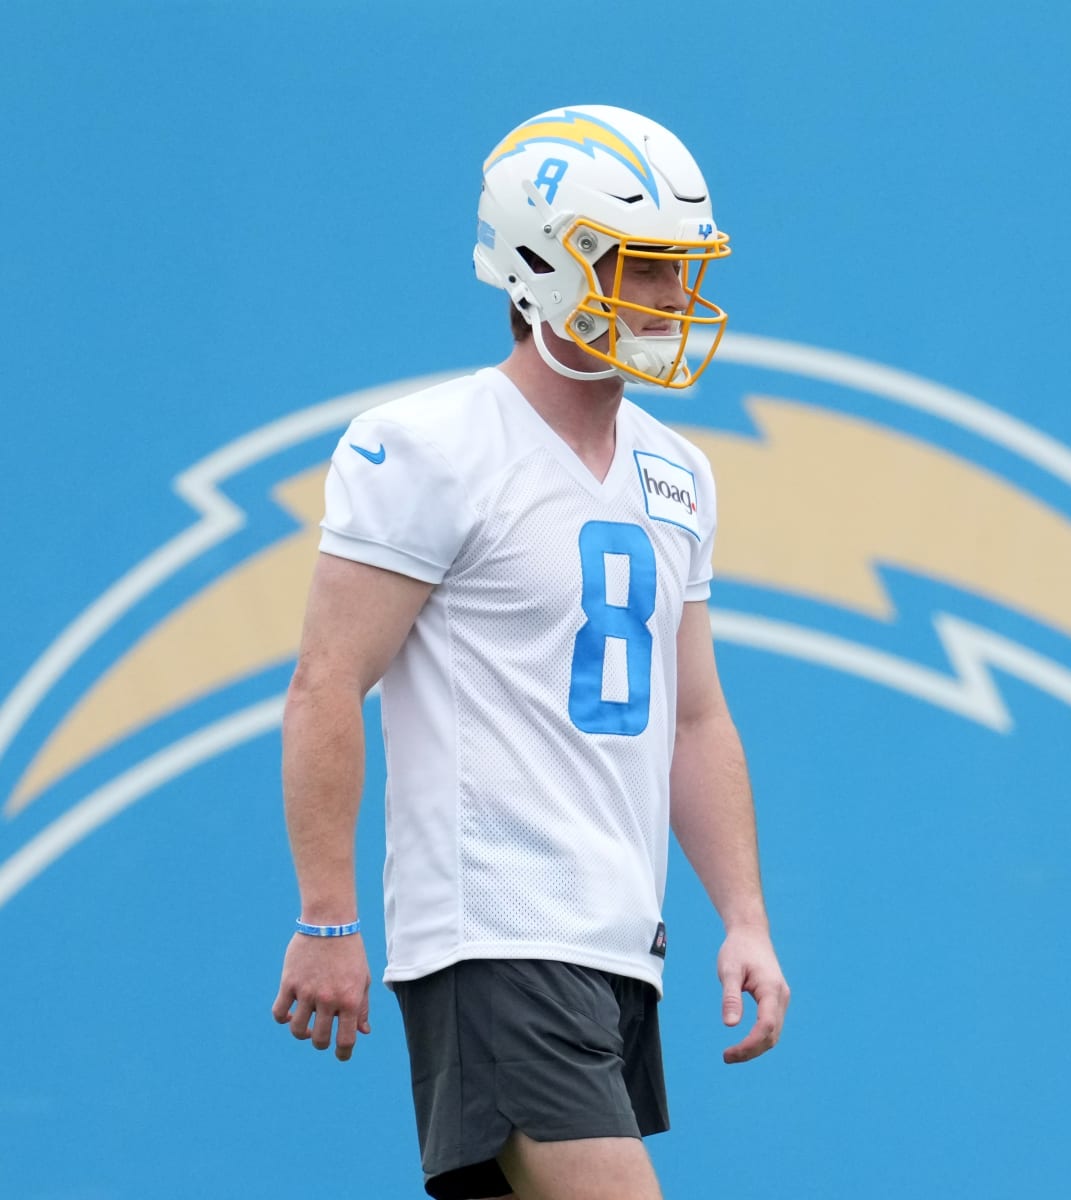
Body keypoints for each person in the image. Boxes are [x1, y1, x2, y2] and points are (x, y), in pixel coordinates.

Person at [272, 103, 790, 1200]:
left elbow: (694, 716)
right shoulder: (427, 447)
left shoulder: (678, 473)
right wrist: (327, 913)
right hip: (495, 937)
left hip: (616, 949)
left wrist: (744, 916)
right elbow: (327, 683)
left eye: (680, 267)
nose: (672, 297)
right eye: (645, 266)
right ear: (544, 263)